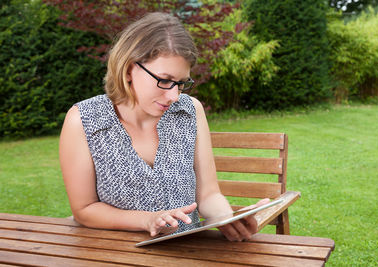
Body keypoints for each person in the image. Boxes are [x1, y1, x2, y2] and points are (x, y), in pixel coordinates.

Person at [59, 12, 258, 242]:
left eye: (181, 83)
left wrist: (226, 218)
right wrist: (147, 220)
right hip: (115, 255)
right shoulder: (83, 119)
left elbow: (208, 195)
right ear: (129, 69)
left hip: (188, 253)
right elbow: (84, 209)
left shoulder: (190, 110)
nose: (174, 95)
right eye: (164, 80)